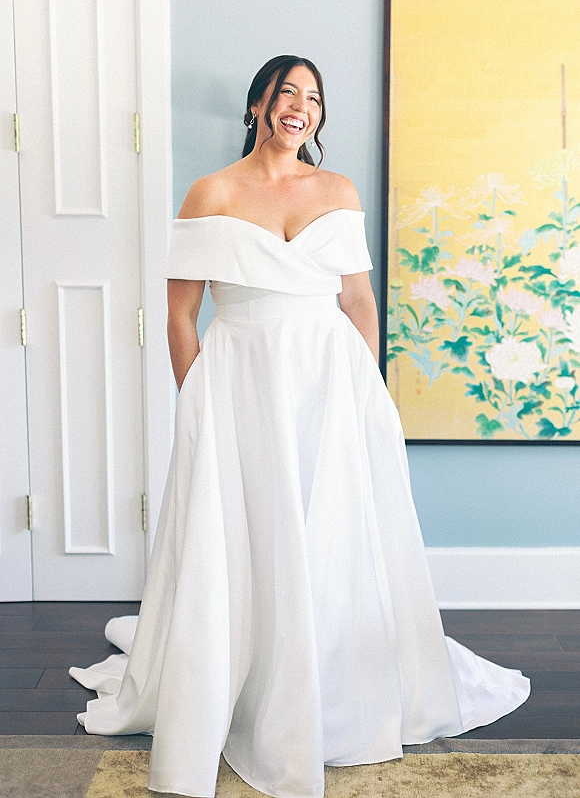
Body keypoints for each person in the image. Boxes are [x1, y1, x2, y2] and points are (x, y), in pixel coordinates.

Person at [70, 55, 530, 798]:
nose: (301, 108)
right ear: (258, 104)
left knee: (328, 534)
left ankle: (330, 690)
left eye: (314, 99)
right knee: (251, 533)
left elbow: (358, 303)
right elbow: (182, 314)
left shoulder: (338, 191)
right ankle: (246, 689)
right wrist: (199, 404)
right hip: (240, 386)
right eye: (288, 93)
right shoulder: (211, 192)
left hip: (328, 383)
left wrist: (366, 388)